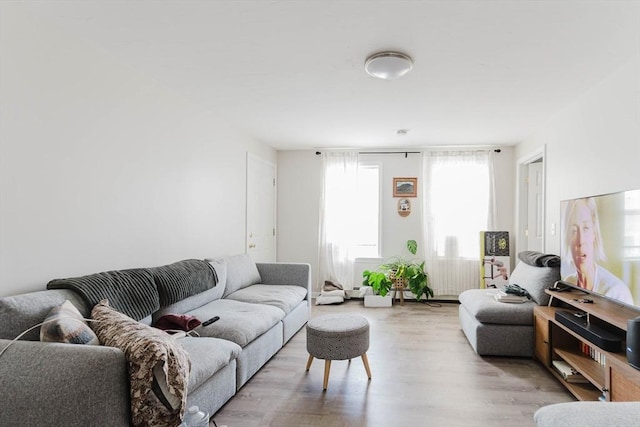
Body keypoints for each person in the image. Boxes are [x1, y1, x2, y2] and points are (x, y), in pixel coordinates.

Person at [562, 197, 633, 305]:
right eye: (574, 231)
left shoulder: (616, 292)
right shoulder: (569, 282)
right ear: (567, 238)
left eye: (586, 228)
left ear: (594, 233)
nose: (580, 241)